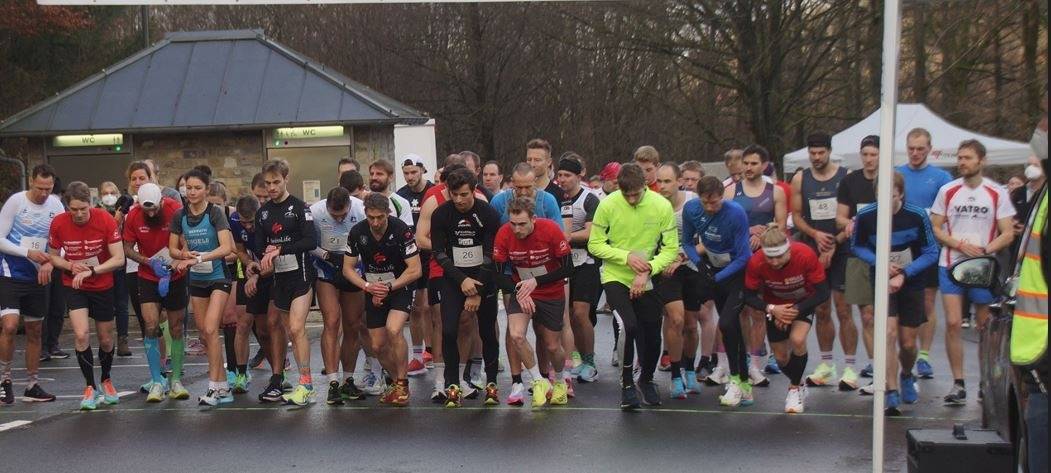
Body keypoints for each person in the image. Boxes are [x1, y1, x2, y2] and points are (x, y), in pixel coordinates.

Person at [930, 139, 1016, 405]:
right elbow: (935, 226)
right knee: (954, 323)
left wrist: (985, 248)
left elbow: (1009, 232)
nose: (962, 163)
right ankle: (958, 382)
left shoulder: (996, 193)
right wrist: (957, 244)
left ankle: (985, 382)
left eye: (967, 158)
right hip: (951, 262)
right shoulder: (948, 190)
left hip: (981, 266)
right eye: (960, 158)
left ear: (981, 160)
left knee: (984, 326)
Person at [589, 163, 678, 409]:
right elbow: (595, 245)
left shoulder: (661, 205)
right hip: (616, 275)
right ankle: (627, 384)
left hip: (648, 274)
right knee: (628, 326)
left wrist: (649, 267)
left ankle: (646, 379)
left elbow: (670, 248)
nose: (630, 199)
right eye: (625, 194)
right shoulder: (607, 205)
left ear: (645, 186)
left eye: (635, 194)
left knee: (651, 331)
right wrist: (625, 256)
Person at [851, 172, 939, 414]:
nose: (886, 202)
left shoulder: (917, 215)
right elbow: (856, 246)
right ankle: (890, 390)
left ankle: (906, 374)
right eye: (881, 196)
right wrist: (879, 262)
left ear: (900, 193)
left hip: (911, 279)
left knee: (908, 343)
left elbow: (931, 252)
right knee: (888, 333)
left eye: (891, 196)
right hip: (882, 278)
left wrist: (905, 273)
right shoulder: (867, 215)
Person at [47, 181, 125, 410]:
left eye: (83, 209)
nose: (79, 214)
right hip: (74, 284)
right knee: (81, 335)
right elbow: (53, 256)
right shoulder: (59, 223)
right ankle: (90, 386)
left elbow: (118, 258)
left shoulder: (104, 219)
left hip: (101, 284)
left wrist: (92, 270)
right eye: (74, 210)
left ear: (91, 204)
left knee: (106, 338)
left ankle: (106, 379)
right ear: (67, 208)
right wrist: (71, 266)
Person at [429, 168, 502, 407]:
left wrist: (477, 290)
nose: (459, 200)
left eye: (464, 194)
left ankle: (491, 383)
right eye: (454, 195)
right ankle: (453, 384)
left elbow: (492, 255)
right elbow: (438, 253)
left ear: (474, 191)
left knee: (487, 331)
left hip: (484, 278)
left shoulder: (488, 213)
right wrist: (462, 281)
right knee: (448, 330)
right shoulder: (441, 214)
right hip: (454, 278)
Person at [342, 193, 422, 406]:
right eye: (371, 218)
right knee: (377, 345)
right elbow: (347, 269)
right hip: (374, 287)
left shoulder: (401, 230)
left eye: (380, 217)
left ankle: (403, 384)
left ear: (388, 213)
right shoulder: (358, 232)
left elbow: (415, 270)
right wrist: (367, 287)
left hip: (399, 284)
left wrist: (388, 287)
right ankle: (397, 382)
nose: (375, 222)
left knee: (394, 329)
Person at [494, 196, 574, 407]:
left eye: (522, 224)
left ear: (534, 219)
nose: (517, 229)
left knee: (552, 345)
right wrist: (521, 290)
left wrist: (536, 282)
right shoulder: (504, 234)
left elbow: (568, 268)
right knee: (517, 335)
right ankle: (539, 381)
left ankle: (559, 378)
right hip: (522, 291)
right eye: (513, 224)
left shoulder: (550, 230)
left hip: (550, 291)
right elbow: (498, 275)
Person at [682, 176, 753, 407]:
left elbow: (744, 256)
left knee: (727, 324)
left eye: (715, 203)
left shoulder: (735, 213)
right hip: (711, 268)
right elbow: (687, 242)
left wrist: (718, 277)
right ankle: (743, 382)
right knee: (730, 327)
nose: (711, 208)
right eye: (706, 203)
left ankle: (734, 380)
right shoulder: (691, 209)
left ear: (723, 196)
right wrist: (700, 264)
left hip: (734, 272)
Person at [255, 159, 320, 406]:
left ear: (286, 180)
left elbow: (310, 241)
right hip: (279, 278)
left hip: (301, 276)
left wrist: (281, 248)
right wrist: (266, 255)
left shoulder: (300, 207)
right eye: (267, 183)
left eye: (276, 182)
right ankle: (295, 380)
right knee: (288, 331)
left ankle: (307, 384)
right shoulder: (263, 213)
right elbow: (260, 246)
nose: (271, 187)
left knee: (296, 327)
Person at [743, 227, 829, 413]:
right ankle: (799, 381)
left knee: (797, 340)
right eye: (770, 258)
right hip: (775, 307)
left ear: (789, 250)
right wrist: (773, 309)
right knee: (781, 358)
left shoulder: (805, 254)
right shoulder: (756, 262)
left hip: (802, 303)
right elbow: (748, 296)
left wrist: (795, 310)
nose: (774, 262)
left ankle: (794, 388)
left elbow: (823, 292)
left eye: (779, 257)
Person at [168, 170, 235, 406]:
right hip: (197, 280)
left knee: (209, 328)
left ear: (207, 189)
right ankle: (224, 386)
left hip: (218, 277)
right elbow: (172, 249)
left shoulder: (215, 213)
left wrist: (199, 259)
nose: (192, 192)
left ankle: (213, 387)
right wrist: (183, 253)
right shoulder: (179, 216)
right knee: (207, 337)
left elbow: (226, 247)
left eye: (197, 188)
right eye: (188, 188)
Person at [790, 132, 851, 389]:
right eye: (812, 153)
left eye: (820, 153)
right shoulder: (801, 178)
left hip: (842, 247)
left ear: (829, 151)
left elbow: (852, 216)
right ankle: (826, 364)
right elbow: (797, 215)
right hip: (813, 247)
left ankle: (850, 367)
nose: (816, 158)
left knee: (844, 309)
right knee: (822, 309)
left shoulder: (845, 176)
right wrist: (816, 235)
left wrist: (834, 243)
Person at [724, 144, 788, 388]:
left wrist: (765, 233)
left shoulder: (776, 192)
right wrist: (746, 232)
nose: (748, 168)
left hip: (764, 259)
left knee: (759, 312)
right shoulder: (730, 192)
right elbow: (724, 226)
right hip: (738, 258)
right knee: (738, 311)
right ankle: (737, 362)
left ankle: (756, 365)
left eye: (753, 163)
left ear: (764, 165)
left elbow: (782, 227)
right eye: (745, 163)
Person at [0, 164, 64, 403]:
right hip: (10, 273)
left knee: (35, 330)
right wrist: (28, 253)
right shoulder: (16, 202)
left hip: (39, 275)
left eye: (48, 189)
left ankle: (32, 383)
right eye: (39, 188)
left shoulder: (56, 205)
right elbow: (0, 239)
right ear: (31, 183)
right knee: (9, 325)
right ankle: (4, 380)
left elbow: (62, 241)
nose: (44, 194)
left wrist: (51, 263)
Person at [123, 183, 188, 402]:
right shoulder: (133, 217)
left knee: (176, 326)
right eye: (146, 209)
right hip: (149, 275)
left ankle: (176, 380)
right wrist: (147, 262)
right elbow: (126, 247)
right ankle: (157, 380)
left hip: (175, 274)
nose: (151, 213)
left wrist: (176, 262)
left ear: (162, 201)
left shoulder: (175, 210)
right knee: (150, 324)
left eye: (154, 208)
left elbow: (185, 243)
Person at [897, 127, 954, 380]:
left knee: (927, 302)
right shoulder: (896, 173)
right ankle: (896, 352)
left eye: (920, 149)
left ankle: (924, 356)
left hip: (928, 248)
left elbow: (946, 215)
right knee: (895, 302)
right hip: (899, 248)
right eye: (911, 148)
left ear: (930, 149)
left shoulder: (942, 177)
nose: (915, 153)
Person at [309, 187, 367, 405]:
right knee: (332, 322)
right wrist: (326, 255)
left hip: (354, 269)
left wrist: (356, 259)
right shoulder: (315, 212)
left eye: (343, 214)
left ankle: (348, 379)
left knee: (353, 325)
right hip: (327, 269)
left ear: (349, 205)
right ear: (327, 208)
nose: (340, 218)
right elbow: (308, 242)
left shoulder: (361, 209)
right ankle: (333, 382)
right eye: (335, 215)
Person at [833, 135, 881, 389]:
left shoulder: (891, 180)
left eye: (874, 154)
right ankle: (875, 367)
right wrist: (851, 222)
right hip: (859, 255)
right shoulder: (850, 181)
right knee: (867, 315)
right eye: (866, 154)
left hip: (890, 254)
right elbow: (840, 217)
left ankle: (899, 370)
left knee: (893, 319)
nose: (869, 159)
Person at [653, 163, 701, 398]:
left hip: (691, 265)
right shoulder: (652, 205)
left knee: (691, 325)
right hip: (666, 270)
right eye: (659, 181)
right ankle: (674, 375)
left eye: (667, 181)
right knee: (676, 319)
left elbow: (706, 240)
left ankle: (689, 369)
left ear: (679, 181)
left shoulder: (693, 202)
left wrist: (683, 256)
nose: (662, 186)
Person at [557, 155, 602, 386]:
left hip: (588, 262)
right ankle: (577, 358)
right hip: (566, 264)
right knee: (570, 314)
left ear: (578, 176)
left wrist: (566, 238)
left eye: (567, 175)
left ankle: (591, 362)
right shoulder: (559, 198)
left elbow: (591, 233)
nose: (563, 179)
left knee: (581, 313)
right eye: (560, 175)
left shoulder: (589, 199)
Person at [397, 156, 435, 376]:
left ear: (422, 170)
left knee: (431, 307)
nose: (410, 177)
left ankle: (433, 351)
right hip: (411, 257)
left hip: (431, 254)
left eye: (414, 172)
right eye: (406, 173)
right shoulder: (400, 196)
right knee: (417, 308)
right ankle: (419, 355)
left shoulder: (433, 192)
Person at [368, 159, 414, 227]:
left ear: (390, 177)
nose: (374, 177)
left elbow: (406, 232)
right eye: (372, 174)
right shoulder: (362, 201)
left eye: (379, 174)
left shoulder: (401, 203)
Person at [1012, 154, 1045, 220]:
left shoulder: (1045, 192)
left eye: (1036, 165)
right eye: (1029, 165)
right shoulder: (1017, 192)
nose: (1031, 168)